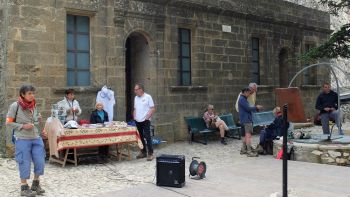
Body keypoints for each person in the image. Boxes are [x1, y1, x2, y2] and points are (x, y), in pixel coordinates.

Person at [6, 85, 45, 196]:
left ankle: (35, 184)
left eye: (33, 93)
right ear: (22, 94)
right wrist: (22, 126)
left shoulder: (34, 105)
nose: (32, 95)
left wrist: (39, 122)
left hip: (36, 138)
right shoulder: (15, 106)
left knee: (40, 160)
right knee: (24, 162)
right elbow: (8, 122)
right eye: (29, 93)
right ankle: (24, 187)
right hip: (22, 139)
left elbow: (35, 122)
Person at [133, 83, 156, 161]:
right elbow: (135, 108)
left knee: (147, 136)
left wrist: (147, 117)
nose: (135, 91)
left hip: (145, 120)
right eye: (135, 90)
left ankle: (151, 153)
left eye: (136, 89)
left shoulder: (148, 97)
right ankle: (143, 152)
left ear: (141, 89)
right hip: (137, 120)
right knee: (140, 137)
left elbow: (152, 108)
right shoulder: (136, 98)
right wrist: (134, 116)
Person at [238, 87, 263, 157]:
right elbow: (248, 109)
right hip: (247, 120)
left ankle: (243, 150)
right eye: (249, 93)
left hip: (243, 120)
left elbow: (247, 108)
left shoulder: (242, 99)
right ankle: (249, 152)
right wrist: (256, 107)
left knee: (244, 136)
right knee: (248, 136)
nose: (249, 94)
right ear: (245, 92)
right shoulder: (242, 99)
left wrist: (255, 108)